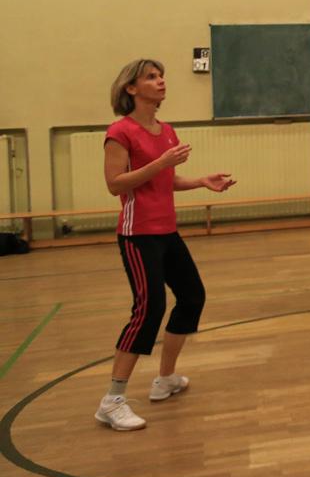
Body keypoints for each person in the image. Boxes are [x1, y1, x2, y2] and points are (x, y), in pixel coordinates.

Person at [97, 59, 236, 431]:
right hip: (137, 235)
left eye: (161, 77)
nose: (161, 82)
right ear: (131, 88)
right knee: (148, 309)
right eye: (151, 77)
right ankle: (112, 400)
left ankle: (165, 378)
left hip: (166, 231)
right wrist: (160, 164)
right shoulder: (120, 132)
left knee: (192, 297)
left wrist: (202, 181)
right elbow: (116, 184)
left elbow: (165, 181)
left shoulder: (166, 130)